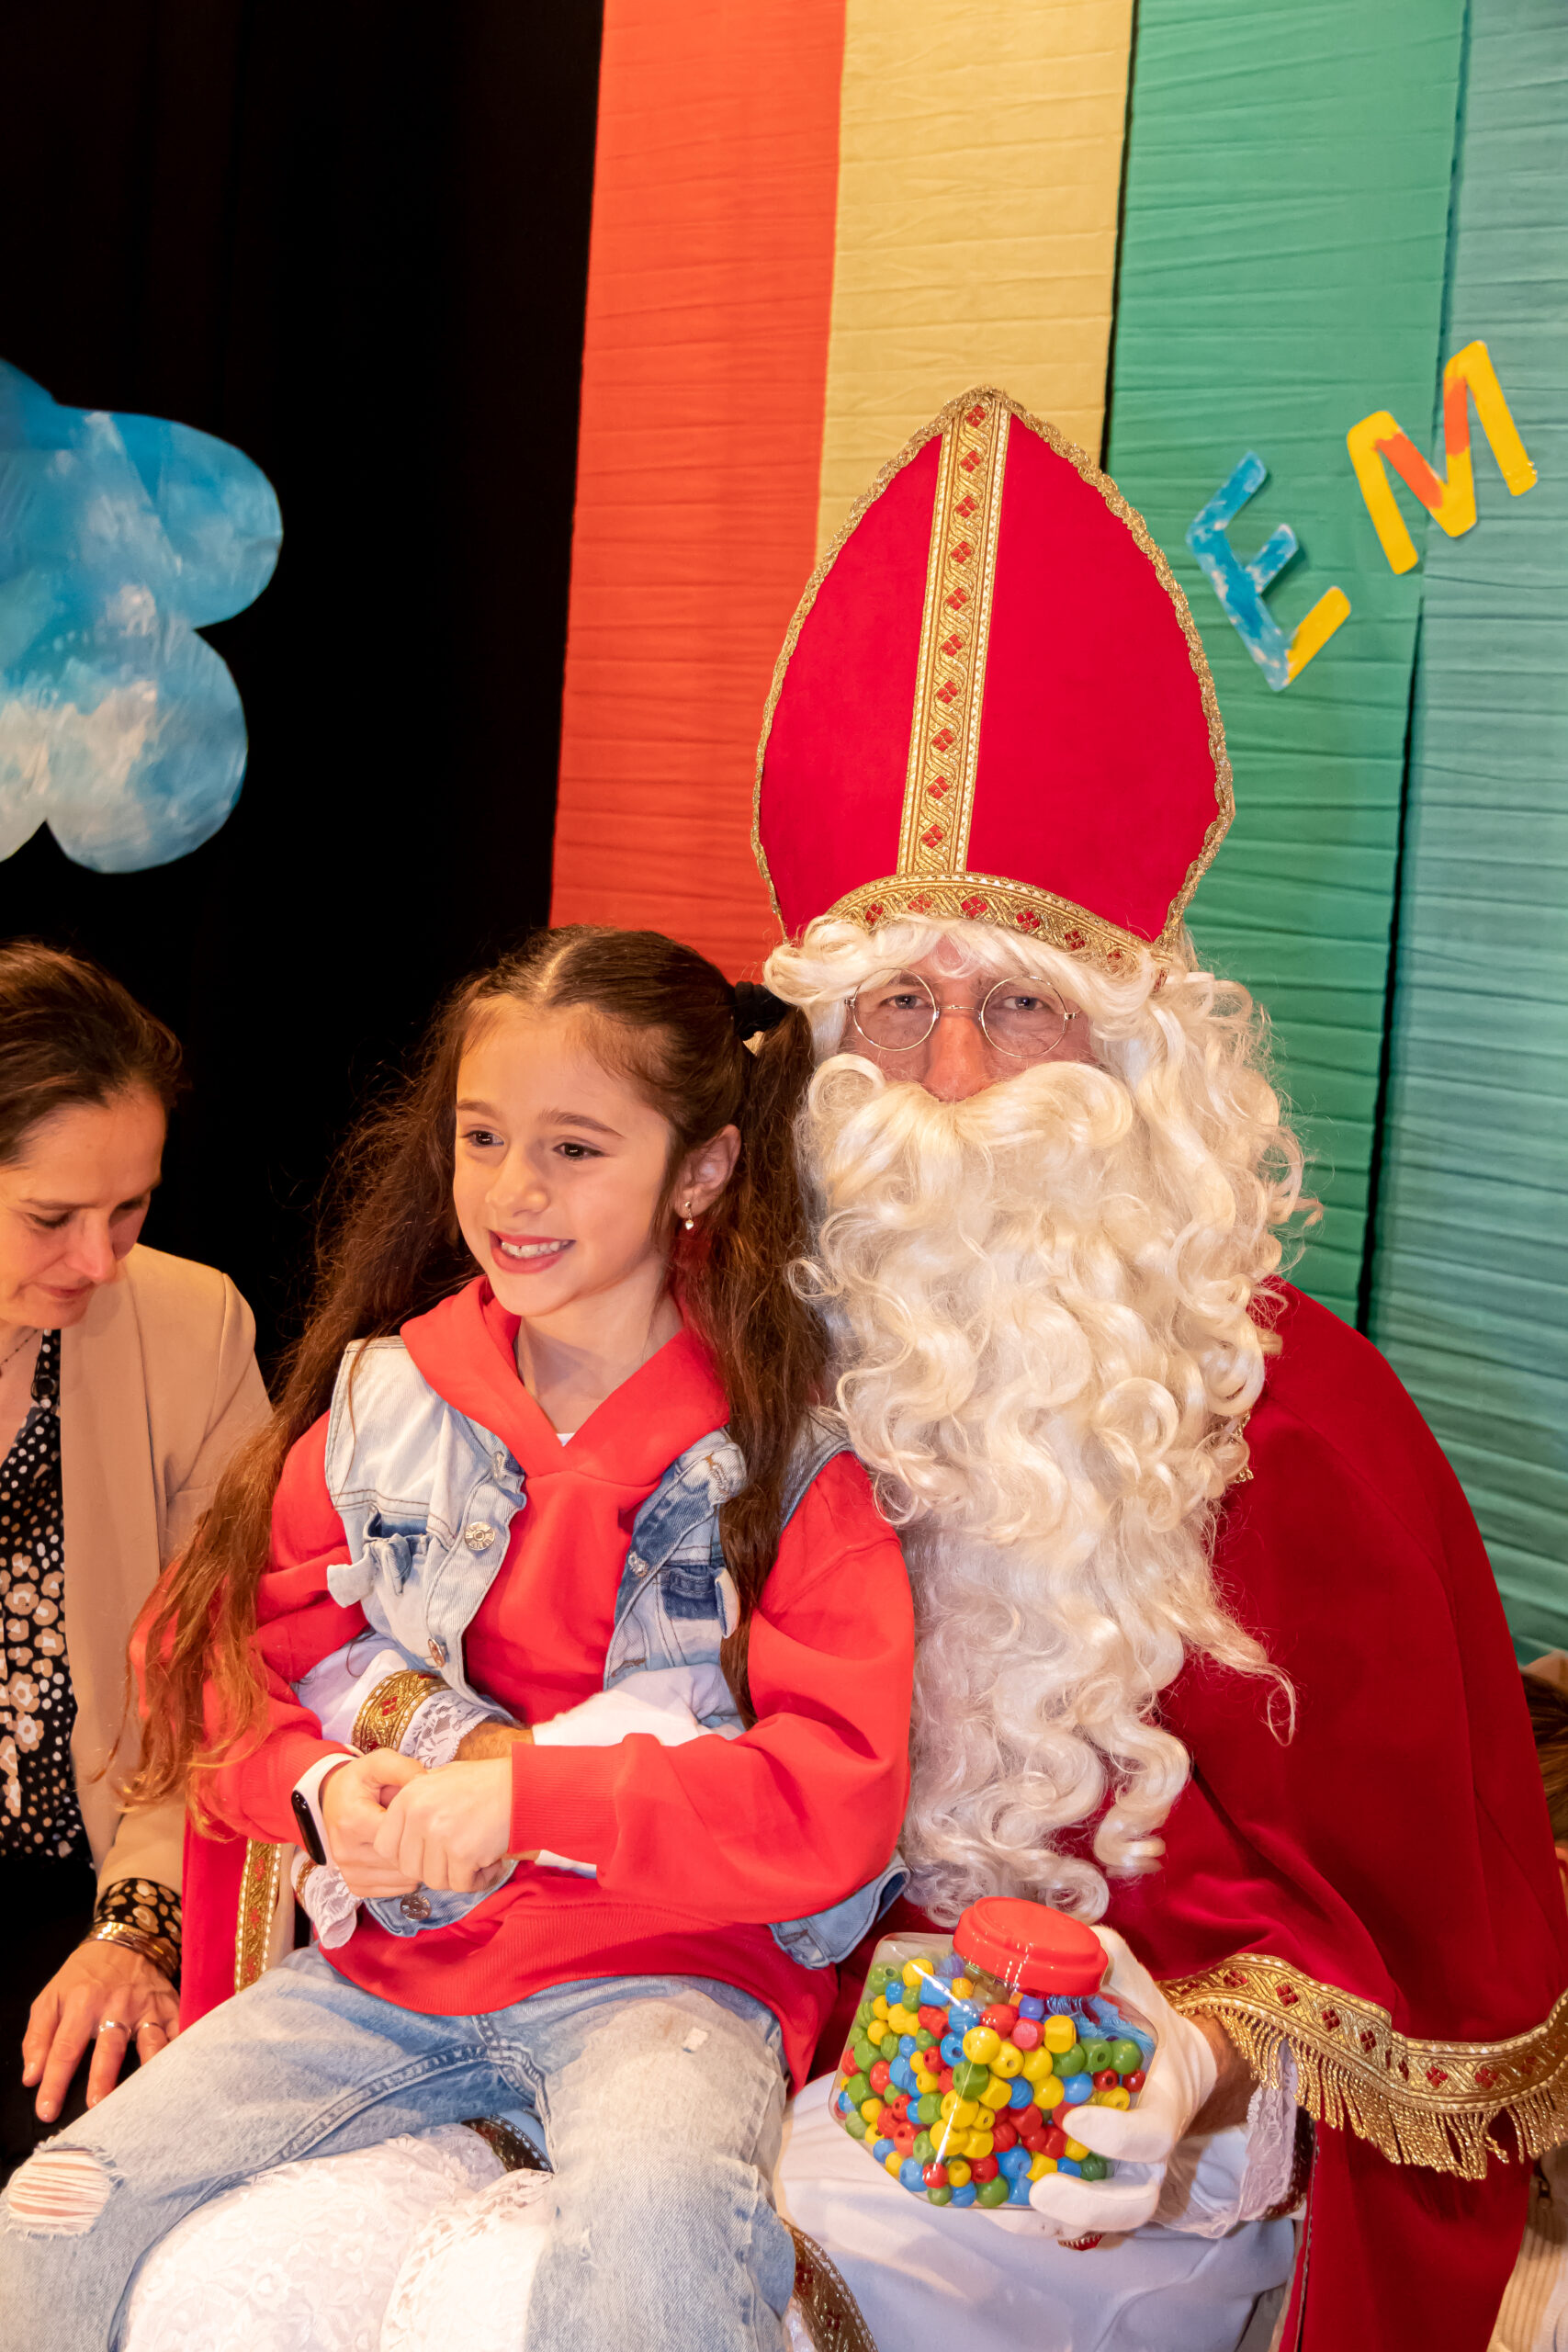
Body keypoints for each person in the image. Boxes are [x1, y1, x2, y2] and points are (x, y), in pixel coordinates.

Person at [743, 389, 1568, 2351]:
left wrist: (1192, 2055)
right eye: (900, 1000)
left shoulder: (1301, 1421)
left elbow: (1420, 1945)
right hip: (739, 2036)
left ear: (1141, 1047)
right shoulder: (747, 1346)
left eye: (1019, 1001)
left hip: (1144, 2157)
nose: (952, 1073)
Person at [0, 925, 913, 2352]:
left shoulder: (789, 1460)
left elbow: (835, 1800)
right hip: (395, 1968)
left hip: (673, 1976)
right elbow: (221, 1669)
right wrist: (325, 1788)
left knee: (657, 2235)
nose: (512, 1190)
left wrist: (527, 1796)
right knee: (54, 2208)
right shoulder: (384, 1399)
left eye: (575, 1148)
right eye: (482, 1137)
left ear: (703, 1170)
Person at [0, 944, 266, 2178]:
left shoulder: (193, 1325)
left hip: (97, 1888)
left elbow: (227, 1668)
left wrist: (139, 1928)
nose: (100, 1262)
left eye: (130, 1209)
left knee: (92, 2183)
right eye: (51, 1218)